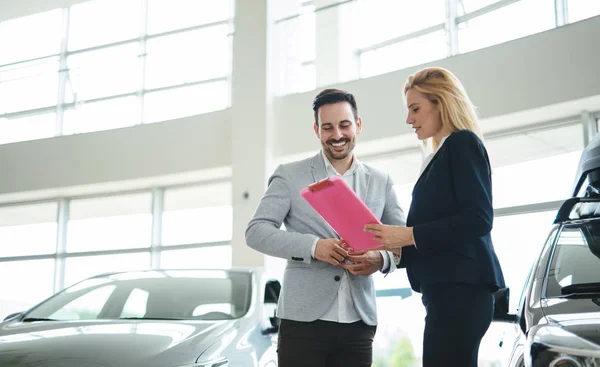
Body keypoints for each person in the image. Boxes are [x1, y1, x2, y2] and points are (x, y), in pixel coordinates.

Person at [246, 88, 406, 367]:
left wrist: (379, 259)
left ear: (358, 124)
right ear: (316, 130)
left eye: (344, 125)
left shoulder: (381, 181)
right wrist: (313, 247)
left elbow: (401, 242)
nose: (337, 135)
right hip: (302, 322)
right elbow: (256, 231)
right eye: (327, 127)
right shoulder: (290, 174)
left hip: (359, 322)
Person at [363, 67, 506, 367]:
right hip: (447, 292)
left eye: (416, 109)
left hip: (461, 292)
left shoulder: (462, 143)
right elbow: (438, 235)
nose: (409, 119)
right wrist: (389, 249)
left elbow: (479, 218)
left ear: (440, 103)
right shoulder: (439, 156)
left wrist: (409, 235)